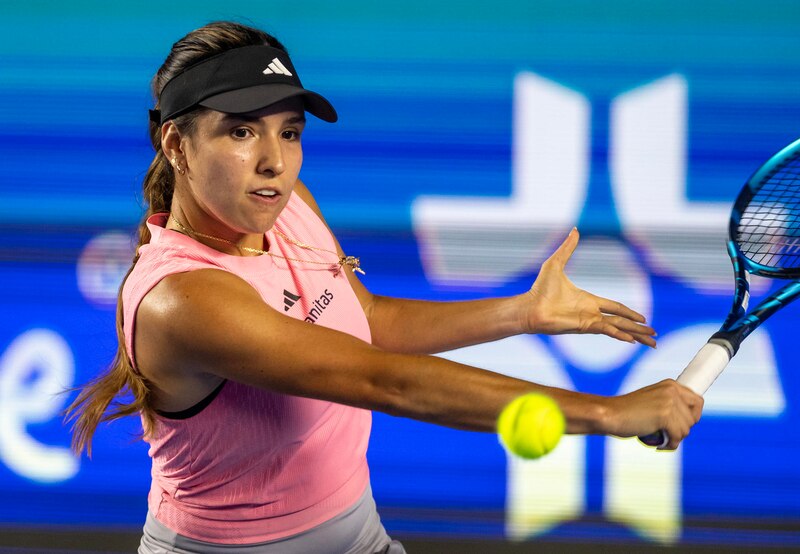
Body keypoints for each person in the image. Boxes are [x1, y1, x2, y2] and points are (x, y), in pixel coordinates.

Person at [66, 20, 703, 554]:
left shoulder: (283, 206)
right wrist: (608, 413)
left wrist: (520, 313)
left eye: (289, 132)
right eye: (241, 131)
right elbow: (381, 378)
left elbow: (363, 318)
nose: (274, 160)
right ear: (176, 144)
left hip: (356, 531)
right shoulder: (184, 297)